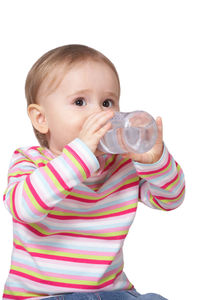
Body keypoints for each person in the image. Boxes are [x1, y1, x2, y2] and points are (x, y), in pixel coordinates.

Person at [2, 44, 185, 300]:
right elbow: (24, 208)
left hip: (113, 293)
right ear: (41, 118)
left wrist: (154, 161)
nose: (100, 113)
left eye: (107, 102)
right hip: (43, 296)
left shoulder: (122, 165)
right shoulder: (30, 161)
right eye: (80, 102)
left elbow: (171, 199)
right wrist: (80, 156)